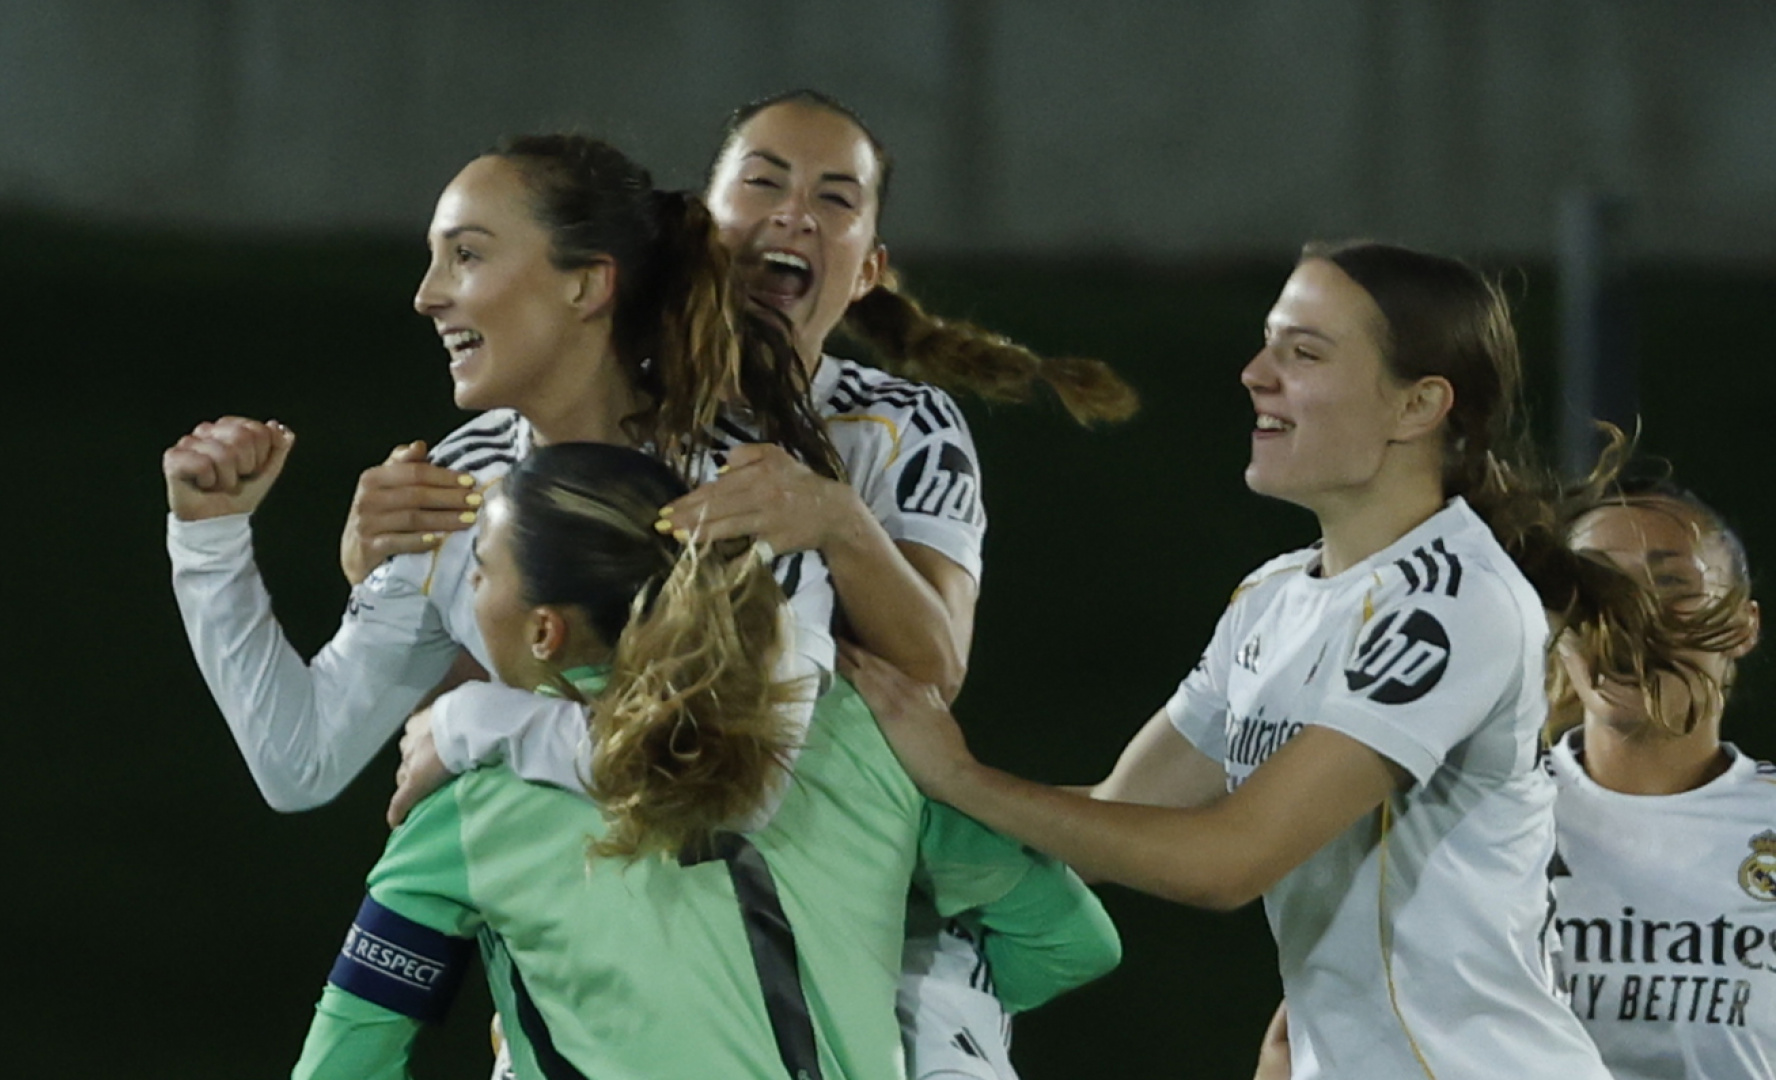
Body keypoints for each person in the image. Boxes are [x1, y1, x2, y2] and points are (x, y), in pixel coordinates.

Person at [346, 91, 1137, 1080]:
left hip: (838, 869)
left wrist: (840, 523)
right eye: (763, 182)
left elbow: (933, 669)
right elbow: (504, 658)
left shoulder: (897, 423)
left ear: (869, 268)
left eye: (835, 198)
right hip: (627, 877)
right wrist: (376, 575)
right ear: (699, 228)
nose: (794, 214)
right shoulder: (578, 414)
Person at [848, 241, 1714, 1079]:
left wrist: (958, 777)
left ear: (1417, 406)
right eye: (1268, 344)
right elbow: (1120, 816)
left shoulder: (1456, 604)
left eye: (1304, 353)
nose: (1256, 374)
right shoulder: (1272, 598)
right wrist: (863, 842)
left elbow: (1225, 861)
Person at [289, 443, 1121, 1079]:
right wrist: (867, 986)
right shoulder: (862, 738)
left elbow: (344, 1061)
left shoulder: (466, 807)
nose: (469, 596)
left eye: (478, 575)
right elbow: (1072, 944)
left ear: (545, 630)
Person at [164, 133, 841, 816]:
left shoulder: (744, 487)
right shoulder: (452, 488)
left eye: (466, 255)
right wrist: (210, 542)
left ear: (586, 284)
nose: (426, 296)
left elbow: (743, 783)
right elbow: (302, 760)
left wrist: (473, 721)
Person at [1547, 471, 1774, 1080]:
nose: (1628, 613)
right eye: (1596, 584)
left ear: (1742, 626)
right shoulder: (1481, 816)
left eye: (1671, 583)